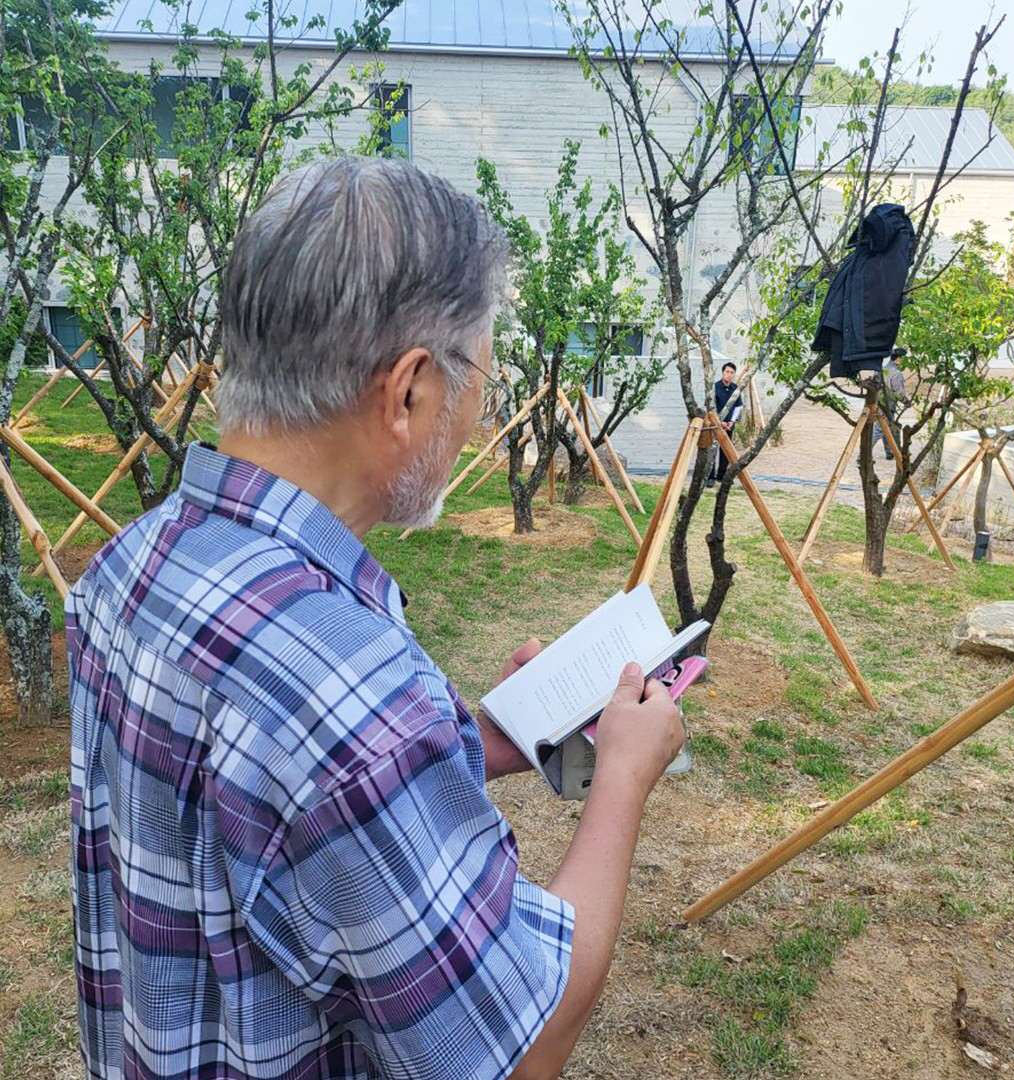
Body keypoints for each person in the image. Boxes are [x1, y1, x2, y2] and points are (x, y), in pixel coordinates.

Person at [66, 158, 684, 1080]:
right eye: (482, 368)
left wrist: (474, 739)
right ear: (407, 392)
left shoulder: (124, 569)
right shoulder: (353, 696)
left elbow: (254, 821)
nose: (484, 405)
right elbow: (520, 1048)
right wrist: (622, 779)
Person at [705, 360, 743, 487]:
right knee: (712, 450)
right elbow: (710, 407)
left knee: (726, 451)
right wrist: (719, 422)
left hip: (729, 425)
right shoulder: (715, 387)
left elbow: (738, 407)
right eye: (727, 372)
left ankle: (721, 476)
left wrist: (732, 422)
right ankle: (710, 477)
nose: (729, 374)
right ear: (723, 373)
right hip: (716, 424)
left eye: (732, 372)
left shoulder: (735, 389)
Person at [872, 347, 909, 461]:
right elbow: (899, 394)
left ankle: (889, 453)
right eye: (902, 359)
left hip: (877, 402)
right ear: (898, 358)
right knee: (879, 429)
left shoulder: (881, 369)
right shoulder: (896, 374)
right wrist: (906, 402)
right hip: (888, 406)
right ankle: (864, 454)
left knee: (885, 427)